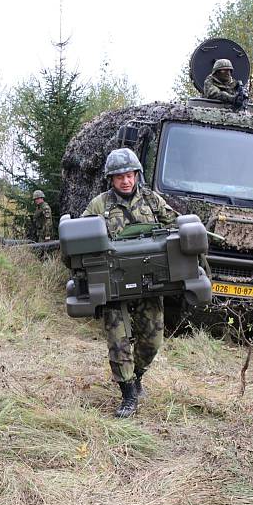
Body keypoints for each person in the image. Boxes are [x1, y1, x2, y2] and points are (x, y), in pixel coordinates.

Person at [82, 148, 175, 418]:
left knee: (152, 340)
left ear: (137, 175)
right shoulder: (99, 205)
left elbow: (176, 226)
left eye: (130, 175)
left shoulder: (152, 200)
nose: (126, 181)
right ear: (111, 179)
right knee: (118, 340)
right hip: (115, 284)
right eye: (119, 176)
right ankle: (128, 394)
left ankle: (138, 376)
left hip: (149, 282)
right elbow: (81, 238)